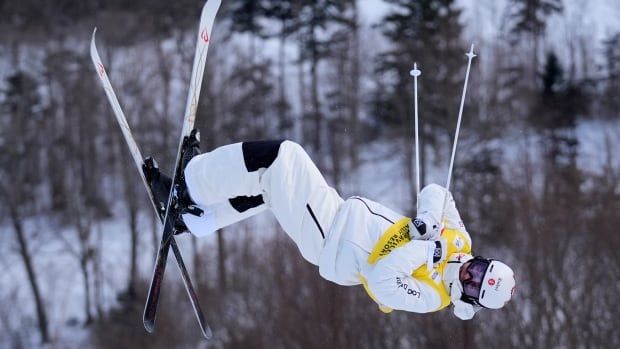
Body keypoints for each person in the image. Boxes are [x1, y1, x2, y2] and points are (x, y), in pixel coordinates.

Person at [144, 130, 516, 320]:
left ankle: (187, 187)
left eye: (473, 283)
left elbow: (384, 282)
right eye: (479, 268)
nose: (468, 272)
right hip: (339, 215)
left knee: (281, 157)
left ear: (469, 300)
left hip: (334, 244)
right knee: (271, 187)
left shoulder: (434, 297)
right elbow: (438, 191)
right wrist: (432, 220)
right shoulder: (460, 242)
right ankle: (197, 217)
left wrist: (426, 249)